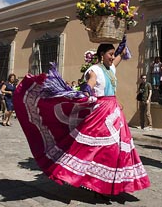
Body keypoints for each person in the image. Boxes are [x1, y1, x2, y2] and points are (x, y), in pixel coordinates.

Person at [13, 43, 150, 197]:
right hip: (102, 112)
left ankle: (112, 183)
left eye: (113, 54)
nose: (112, 57)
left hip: (115, 112)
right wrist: (86, 90)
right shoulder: (94, 70)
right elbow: (90, 83)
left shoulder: (111, 68)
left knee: (119, 147)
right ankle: (97, 182)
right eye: (110, 54)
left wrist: (122, 47)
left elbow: (118, 58)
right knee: (102, 148)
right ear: (101, 54)